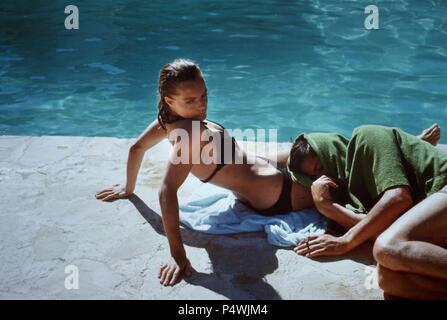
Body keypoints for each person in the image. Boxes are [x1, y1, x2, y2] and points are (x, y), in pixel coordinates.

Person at [95, 58, 315, 286]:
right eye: (190, 100)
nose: (201, 106)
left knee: (325, 149)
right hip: (278, 193)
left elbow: (136, 148)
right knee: (344, 181)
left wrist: (128, 188)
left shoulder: (167, 121)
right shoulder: (189, 136)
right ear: (169, 101)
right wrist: (178, 256)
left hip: (269, 167)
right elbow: (167, 191)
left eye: (204, 96)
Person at [288, 124, 447, 298]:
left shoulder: (366, 136)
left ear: (330, 152)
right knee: (387, 279)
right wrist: (327, 207)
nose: (321, 180)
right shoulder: (354, 194)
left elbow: (398, 198)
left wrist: (345, 241)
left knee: (386, 247)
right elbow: (377, 226)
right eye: (313, 179)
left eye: (320, 168)